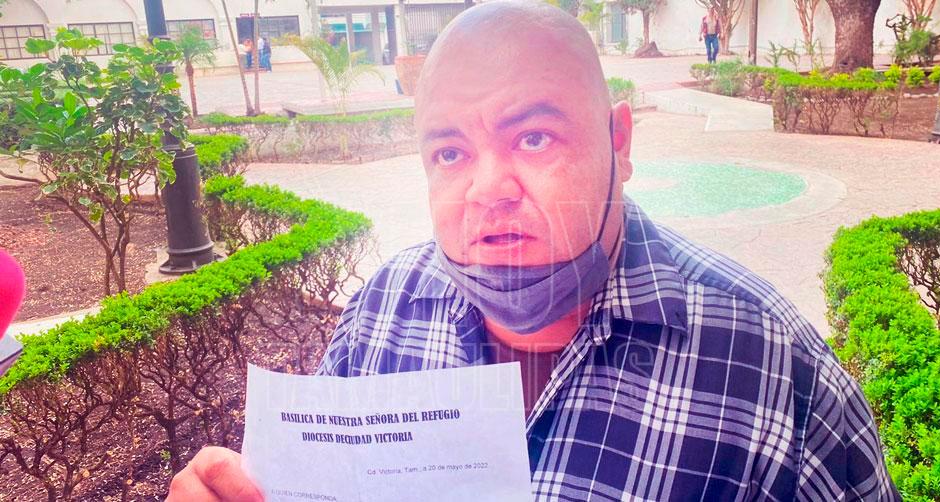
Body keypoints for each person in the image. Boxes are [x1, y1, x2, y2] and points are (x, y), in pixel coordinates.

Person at [167, 1, 900, 500]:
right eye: (450, 153)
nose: (488, 189)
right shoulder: (382, 314)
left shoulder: (773, 366)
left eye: (535, 138)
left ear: (620, 141)